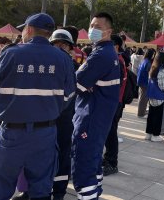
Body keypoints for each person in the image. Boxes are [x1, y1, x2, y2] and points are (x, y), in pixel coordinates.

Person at [0, 13, 75, 200]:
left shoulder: (9, 53)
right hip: (46, 133)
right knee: (41, 189)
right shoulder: (63, 59)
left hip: (12, 133)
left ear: (29, 29)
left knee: (0, 188)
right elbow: (68, 96)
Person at [71, 12, 120, 200]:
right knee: (93, 164)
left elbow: (77, 84)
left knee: (84, 169)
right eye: (91, 25)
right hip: (99, 118)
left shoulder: (101, 55)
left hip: (90, 118)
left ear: (109, 31)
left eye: (98, 27)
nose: (92, 30)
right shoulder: (108, 53)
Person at [49, 29, 77, 200]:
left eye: (64, 45)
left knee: (62, 156)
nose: (59, 48)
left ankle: (59, 192)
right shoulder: (44, 67)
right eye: (56, 44)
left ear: (70, 49)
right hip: (44, 120)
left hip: (63, 120)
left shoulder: (72, 67)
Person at [102, 34, 128, 176]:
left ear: (115, 46)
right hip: (113, 102)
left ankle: (112, 163)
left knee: (110, 133)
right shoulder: (117, 60)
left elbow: (112, 86)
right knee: (108, 132)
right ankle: (107, 159)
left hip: (113, 102)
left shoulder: (117, 61)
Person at [145, 52, 164, 142]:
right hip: (159, 96)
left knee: (151, 115)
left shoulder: (153, 68)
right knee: (158, 116)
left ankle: (148, 133)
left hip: (151, 95)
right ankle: (155, 135)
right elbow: (162, 86)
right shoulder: (162, 71)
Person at [136, 48, 155, 118]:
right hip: (144, 82)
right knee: (143, 98)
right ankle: (141, 113)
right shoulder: (148, 63)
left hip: (141, 81)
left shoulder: (144, 61)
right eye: (153, 54)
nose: (154, 55)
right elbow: (150, 73)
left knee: (142, 97)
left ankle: (142, 111)